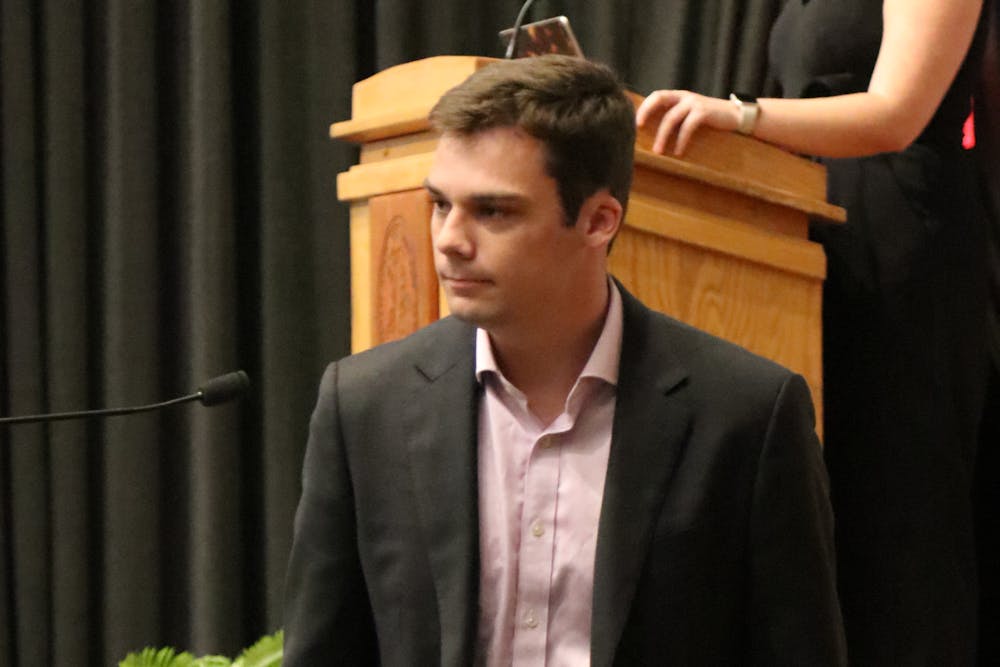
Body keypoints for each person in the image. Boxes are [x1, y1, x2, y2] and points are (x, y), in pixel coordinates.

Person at [283, 54, 846, 665]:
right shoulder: (364, 405)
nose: (448, 240)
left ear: (599, 221)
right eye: (441, 204)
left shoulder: (746, 415)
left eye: (493, 211)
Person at [636, 1, 991, 664]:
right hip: (814, 224)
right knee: (829, 515)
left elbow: (896, 114)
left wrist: (740, 117)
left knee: (901, 520)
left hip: (901, 235)